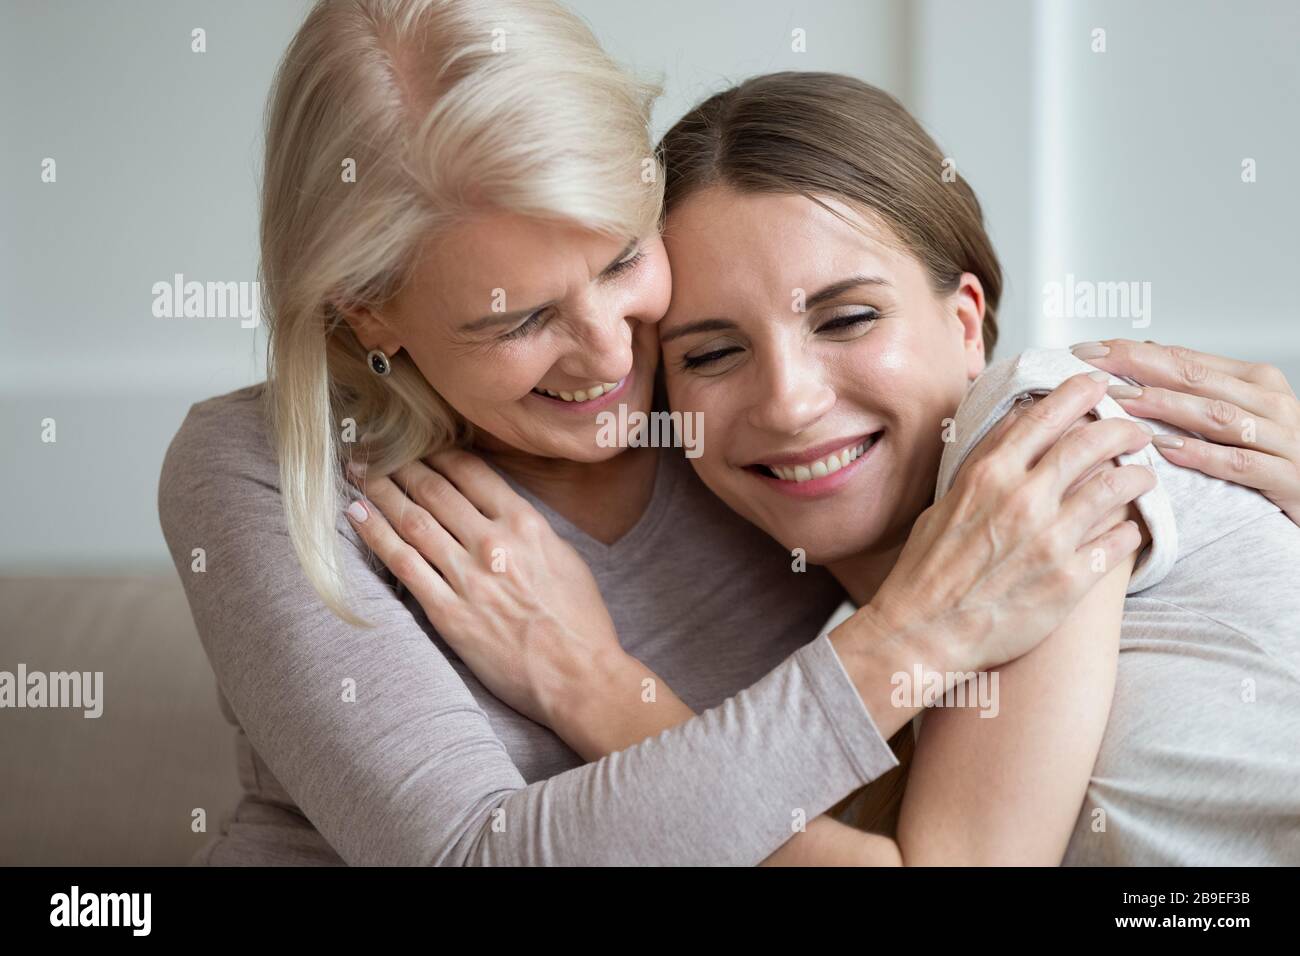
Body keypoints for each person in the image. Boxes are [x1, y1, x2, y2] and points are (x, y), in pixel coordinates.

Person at [357, 71, 1300, 865]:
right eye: (712, 354)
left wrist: (588, 683)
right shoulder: (907, 688)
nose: (790, 402)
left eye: (848, 319)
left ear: (965, 322)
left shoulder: (1039, 423)